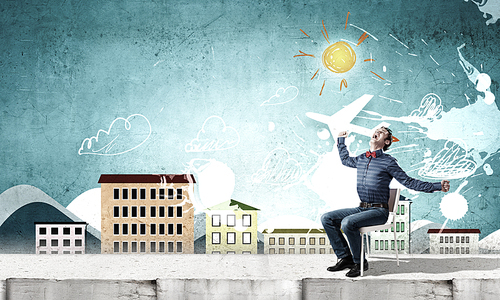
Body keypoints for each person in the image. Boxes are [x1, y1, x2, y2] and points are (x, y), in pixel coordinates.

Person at [321, 127, 450, 277]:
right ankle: (345, 257)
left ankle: (359, 262)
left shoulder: (388, 162)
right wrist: (341, 141)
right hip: (361, 208)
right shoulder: (362, 158)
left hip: (379, 211)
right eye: (377, 130)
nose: (377, 131)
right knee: (327, 218)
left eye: (382, 132)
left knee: (348, 223)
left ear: (386, 142)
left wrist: (437, 186)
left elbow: (409, 182)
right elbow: (345, 160)